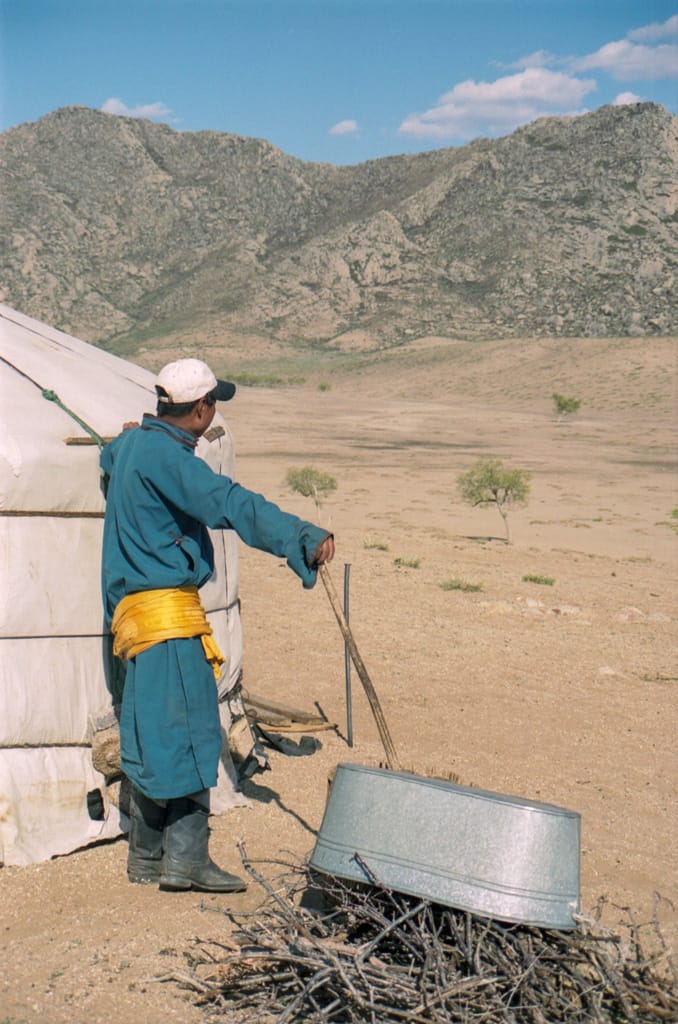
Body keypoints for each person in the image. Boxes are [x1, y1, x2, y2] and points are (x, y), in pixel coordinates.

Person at [100, 357, 335, 893]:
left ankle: (146, 855)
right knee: (192, 735)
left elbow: (110, 451)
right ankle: (186, 863)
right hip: (169, 624)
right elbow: (230, 503)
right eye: (214, 404)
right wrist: (301, 536)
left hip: (133, 625)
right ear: (201, 409)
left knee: (149, 733)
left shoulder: (134, 446)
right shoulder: (172, 459)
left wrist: (123, 437)